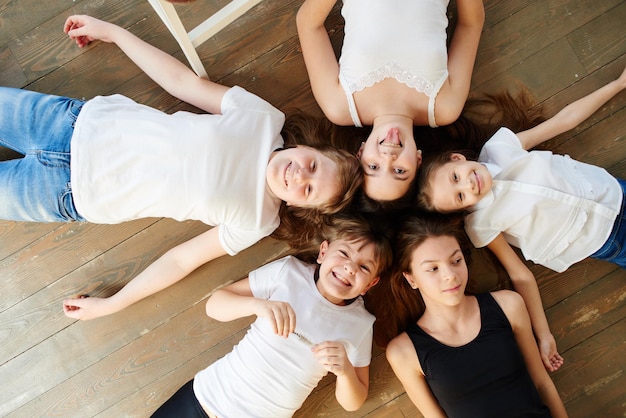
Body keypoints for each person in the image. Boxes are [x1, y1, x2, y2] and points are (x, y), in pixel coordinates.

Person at [0, 15, 362, 320]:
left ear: (301, 208)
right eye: (312, 165)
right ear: (305, 146)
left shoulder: (257, 220)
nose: (300, 176)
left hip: (71, 193)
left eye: (309, 190)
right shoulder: (264, 120)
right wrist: (114, 33)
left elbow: (180, 260)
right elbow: (183, 83)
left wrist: (113, 304)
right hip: (74, 123)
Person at [415, 66, 626, 371]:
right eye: (460, 196)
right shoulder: (480, 224)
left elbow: (563, 121)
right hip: (605, 240)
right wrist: (543, 335)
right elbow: (521, 275)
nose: (468, 185)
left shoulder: (500, 148)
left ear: (457, 159)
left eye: (456, 177)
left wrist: (617, 85)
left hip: (613, 192)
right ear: (461, 210)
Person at [150, 214, 393, 417]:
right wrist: (258, 306)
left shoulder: (360, 324)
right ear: (323, 253)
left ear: (369, 285)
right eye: (344, 254)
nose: (350, 267)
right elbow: (214, 305)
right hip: (206, 398)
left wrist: (345, 372)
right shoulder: (288, 273)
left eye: (363, 267)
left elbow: (354, 402)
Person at [296, 0, 484, 202]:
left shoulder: (339, 106)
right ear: (418, 161)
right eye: (400, 171)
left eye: (373, 167)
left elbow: (308, 25)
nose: (388, 156)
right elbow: (470, 24)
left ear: (360, 153)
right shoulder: (445, 107)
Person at [384, 214, 568, 417]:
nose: (450, 275)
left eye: (456, 260)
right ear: (411, 279)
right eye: (433, 268)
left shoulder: (508, 306)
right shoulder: (403, 352)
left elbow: (542, 383)